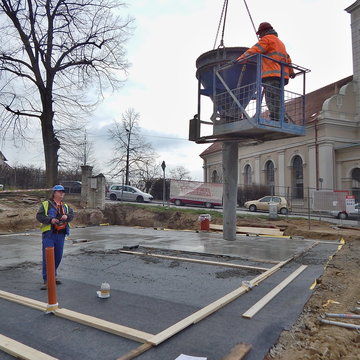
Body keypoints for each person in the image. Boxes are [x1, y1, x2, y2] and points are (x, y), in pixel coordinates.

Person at [235, 22, 295, 121]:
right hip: (282, 77)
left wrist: (240, 59)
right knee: (278, 99)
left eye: (260, 34)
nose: (259, 36)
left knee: (271, 99)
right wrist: (291, 72)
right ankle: (281, 119)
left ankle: (277, 119)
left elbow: (254, 50)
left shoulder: (267, 39)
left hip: (271, 75)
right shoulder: (280, 43)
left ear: (264, 31)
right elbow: (288, 59)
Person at [36, 185, 74, 290]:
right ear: (54, 193)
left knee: (58, 257)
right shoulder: (46, 204)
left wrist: (67, 217)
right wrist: (50, 220)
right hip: (49, 234)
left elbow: (71, 215)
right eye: (59, 191)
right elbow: (39, 216)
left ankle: (53, 276)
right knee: (48, 257)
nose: (62, 193)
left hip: (61, 235)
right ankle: (47, 280)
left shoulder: (65, 206)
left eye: (63, 192)